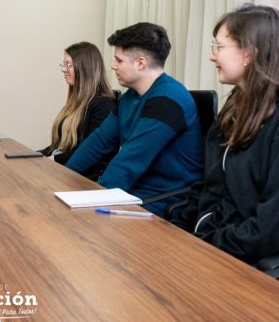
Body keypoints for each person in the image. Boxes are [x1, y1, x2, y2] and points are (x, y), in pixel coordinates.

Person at [172, 4, 279, 296]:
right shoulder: (237, 106)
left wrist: (205, 243)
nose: (212, 56)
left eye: (219, 47)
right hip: (227, 250)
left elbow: (273, 228)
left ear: (249, 53)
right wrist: (176, 232)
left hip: (276, 268)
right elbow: (210, 184)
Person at [65, 23, 203, 216]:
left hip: (162, 200)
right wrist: (63, 176)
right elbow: (99, 142)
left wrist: (96, 198)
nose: (113, 65)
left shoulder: (168, 99)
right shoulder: (129, 97)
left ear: (140, 63)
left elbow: (130, 161)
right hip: (134, 191)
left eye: (119, 60)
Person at [39, 42, 116, 179]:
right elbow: (59, 147)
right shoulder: (76, 102)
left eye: (68, 65)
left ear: (85, 68)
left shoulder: (103, 105)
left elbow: (88, 152)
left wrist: (52, 160)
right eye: (63, 64)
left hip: (82, 179)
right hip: (64, 171)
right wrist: (32, 155)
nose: (64, 69)